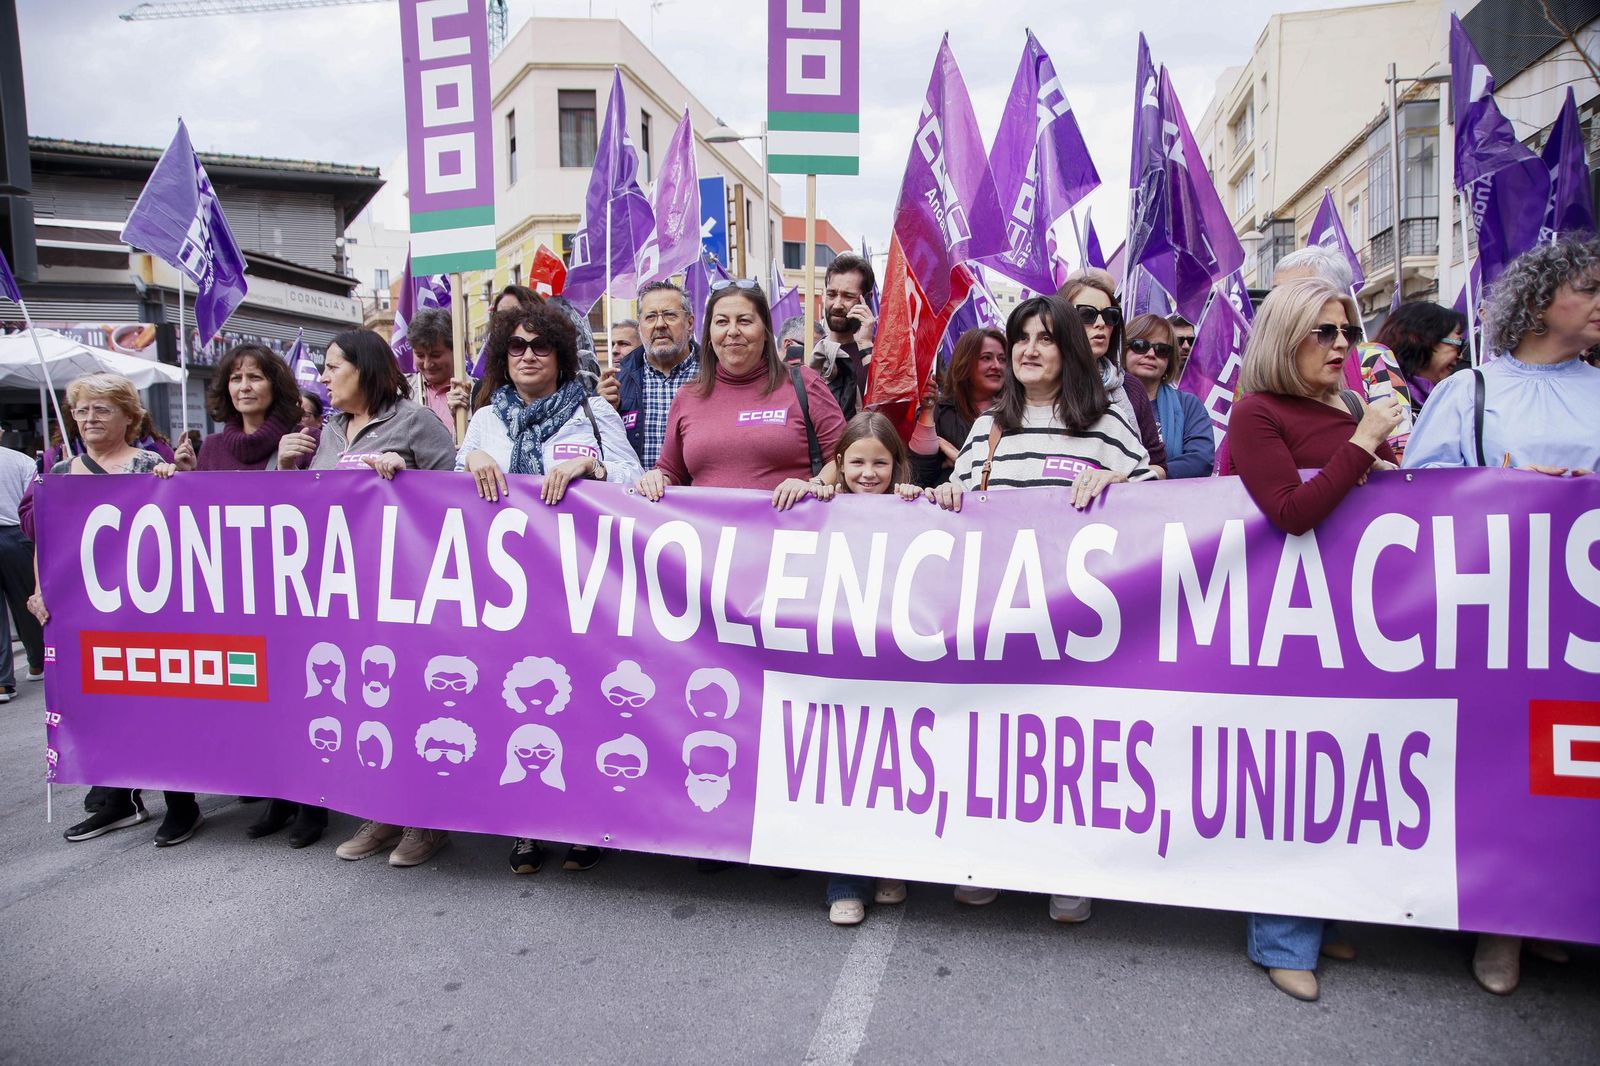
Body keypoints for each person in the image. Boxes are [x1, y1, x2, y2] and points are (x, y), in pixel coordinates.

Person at [1404, 239, 1600, 996]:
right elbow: (1420, 494)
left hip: (1583, 619)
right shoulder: (1472, 391)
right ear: (1541, 300)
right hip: (1504, 611)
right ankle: (1503, 923)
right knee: (1508, 763)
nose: (1596, 300)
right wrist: (1503, 487)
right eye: (1586, 287)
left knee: (1574, 768)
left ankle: (1556, 909)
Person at [933, 295, 1154, 924]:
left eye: (1046, 339)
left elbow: (1155, 494)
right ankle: (993, 861)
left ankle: (1068, 868)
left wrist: (1117, 481)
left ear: (1070, 351)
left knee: (1068, 746)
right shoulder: (988, 428)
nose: (1030, 350)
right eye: (1021, 338)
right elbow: (965, 497)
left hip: (1076, 624)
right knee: (998, 742)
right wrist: (950, 490)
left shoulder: (1107, 423)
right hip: (1000, 616)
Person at [1220, 277, 1402, 1001]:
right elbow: (1293, 511)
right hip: (1290, 617)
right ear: (1284, 336)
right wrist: (1362, 445)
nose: (1340, 346)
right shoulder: (1256, 414)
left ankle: (1324, 916)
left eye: (1347, 333)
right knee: (1293, 776)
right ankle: (1282, 937)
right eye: (1323, 332)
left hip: (1358, 618)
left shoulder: (1352, 406)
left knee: (1346, 768)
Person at [459, 303, 640, 874]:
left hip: (579, 589)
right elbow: (448, 491)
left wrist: (595, 468)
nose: (529, 355)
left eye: (540, 346)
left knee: (579, 704)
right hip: (508, 592)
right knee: (518, 706)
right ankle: (527, 825)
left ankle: (586, 823)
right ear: (503, 357)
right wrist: (472, 457)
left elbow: (637, 480)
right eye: (516, 346)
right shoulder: (485, 418)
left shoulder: (590, 412)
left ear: (561, 355)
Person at [277, 331, 455, 864]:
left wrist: (408, 479)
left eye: (333, 367)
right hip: (341, 596)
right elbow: (295, 513)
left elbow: (458, 498)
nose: (324, 378)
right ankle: (381, 812)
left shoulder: (416, 422)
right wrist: (285, 467)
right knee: (361, 703)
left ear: (366, 368)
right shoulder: (326, 431)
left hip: (405, 592)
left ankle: (425, 822)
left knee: (407, 703)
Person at [27, 374, 197, 846]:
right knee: (100, 706)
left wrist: (175, 480)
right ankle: (116, 800)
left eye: (101, 409)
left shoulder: (149, 464)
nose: (89, 419)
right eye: (82, 411)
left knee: (159, 704)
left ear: (129, 415)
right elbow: (48, 541)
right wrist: (40, 591)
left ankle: (181, 802)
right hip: (86, 616)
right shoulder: (58, 475)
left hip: (148, 612)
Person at [816, 412, 925, 925]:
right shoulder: (818, 509)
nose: (867, 473)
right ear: (837, 464)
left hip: (898, 665)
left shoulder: (915, 510)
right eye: (856, 462)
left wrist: (930, 501)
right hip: (839, 663)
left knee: (894, 769)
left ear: (897, 465)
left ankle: (890, 865)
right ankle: (844, 882)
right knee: (842, 771)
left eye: (879, 463)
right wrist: (806, 487)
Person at [637, 280, 845, 509]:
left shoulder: (804, 383)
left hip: (787, 537)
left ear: (766, 331)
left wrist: (815, 484)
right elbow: (671, 471)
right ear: (708, 334)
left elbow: (843, 458)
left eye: (744, 321)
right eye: (722, 322)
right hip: (711, 540)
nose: (733, 331)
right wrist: (656, 478)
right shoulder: (687, 396)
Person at [1057, 269, 1168, 475]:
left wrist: (1122, 479)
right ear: (1059, 319)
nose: (1100, 324)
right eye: (1087, 314)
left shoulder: (1130, 387)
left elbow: (1158, 466)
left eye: (1110, 316)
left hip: (1118, 504)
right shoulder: (1040, 384)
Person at [600, 280, 701, 468]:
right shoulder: (616, 382)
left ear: (689, 323)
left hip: (698, 495)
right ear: (640, 327)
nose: (660, 324)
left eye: (670, 315)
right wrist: (601, 411)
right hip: (635, 496)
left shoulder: (716, 373)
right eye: (651, 317)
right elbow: (600, 449)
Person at [174, 342, 302, 472]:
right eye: (236, 378)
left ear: (276, 386)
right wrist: (187, 475)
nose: (244, 387)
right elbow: (202, 492)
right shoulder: (212, 447)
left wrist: (290, 470)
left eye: (255, 377)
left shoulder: (303, 439)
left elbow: (317, 490)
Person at [909, 326, 1006, 487]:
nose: (996, 365)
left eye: (1002, 359)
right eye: (986, 358)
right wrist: (927, 411)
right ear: (965, 362)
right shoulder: (940, 413)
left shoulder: (1018, 414)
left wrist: (960, 459)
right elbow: (919, 477)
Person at [1121, 313, 1215, 479]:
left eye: (1161, 349)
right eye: (1140, 345)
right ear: (1123, 351)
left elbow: (1200, 461)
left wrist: (1149, 475)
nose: (1151, 354)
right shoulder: (1104, 399)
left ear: (1169, 360)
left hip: (1171, 501)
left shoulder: (1188, 405)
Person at [808, 252, 877, 418]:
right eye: (832, 294)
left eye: (848, 296)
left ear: (867, 299)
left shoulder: (880, 355)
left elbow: (881, 411)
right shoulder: (811, 354)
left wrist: (866, 346)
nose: (837, 304)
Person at [1370, 301, 1468, 415]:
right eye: (1458, 344)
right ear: (1418, 338)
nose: (1460, 356)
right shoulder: (1379, 397)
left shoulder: (1454, 402)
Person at [0, 444, 43, 702]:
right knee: (26, 602)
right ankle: (37, 662)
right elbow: (34, 502)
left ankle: (4, 682)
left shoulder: (21, 460)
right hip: (17, 535)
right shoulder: (21, 460)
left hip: (18, 533)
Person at [404, 306, 475, 434]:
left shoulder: (480, 393)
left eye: (435, 355)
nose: (427, 364)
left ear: (457, 350)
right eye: (420, 355)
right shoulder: (401, 392)